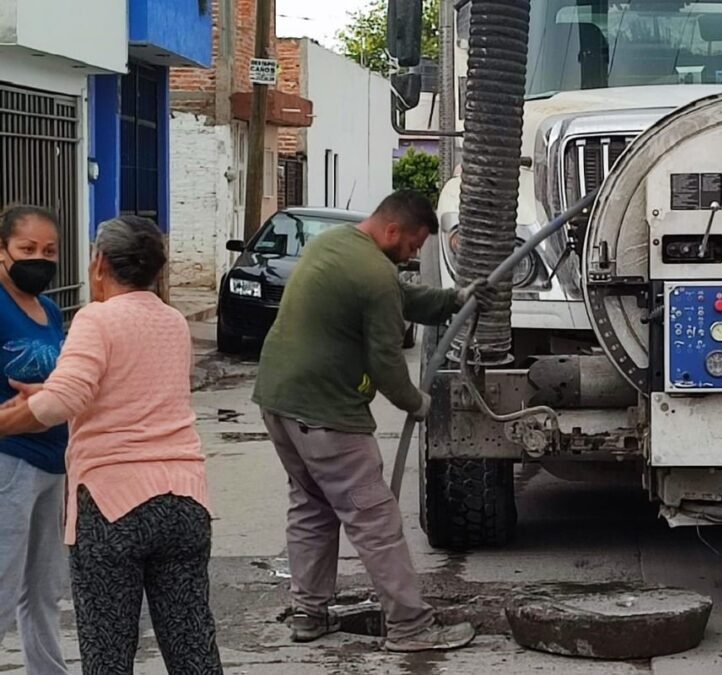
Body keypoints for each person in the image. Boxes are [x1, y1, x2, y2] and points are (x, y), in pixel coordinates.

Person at [253, 190, 498, 651]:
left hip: (280, 403)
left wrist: (455, 299)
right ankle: (411, 627)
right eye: (412, 245)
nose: (413, 254)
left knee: (312, 506)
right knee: (376, 520)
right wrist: (417, 404)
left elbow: (401, 297)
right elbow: (387, 362)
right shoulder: (375, 274)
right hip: (327, 414)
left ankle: (309, 613)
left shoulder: (336, 244)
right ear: (392, 230)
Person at [0, 215, 223, 674]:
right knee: (192, 646)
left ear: (99, 263)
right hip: (183, 501)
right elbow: (126, 389)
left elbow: (66, 398)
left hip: (113, 506)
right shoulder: (173, 322)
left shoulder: (96, 318)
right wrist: (47, 394)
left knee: (108, 655)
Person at [0, 205, 68, 675]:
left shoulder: (49, 309)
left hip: (54, 461)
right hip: (9, 459)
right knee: (2, 587)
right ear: (2, 250)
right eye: (27, 250)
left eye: (49, 251)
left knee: (44, 590)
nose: (39, 260)